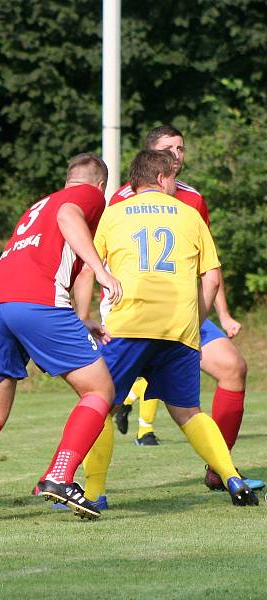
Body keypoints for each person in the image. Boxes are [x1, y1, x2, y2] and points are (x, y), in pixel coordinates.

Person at [75, 149, 258, 508]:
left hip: (128, 323)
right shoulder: (191, 216)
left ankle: (94, 494)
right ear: (161, 178)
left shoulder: (113, 215)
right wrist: (198, 316)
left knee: (99, 404)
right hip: (179, 327)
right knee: (189, 411)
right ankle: (232, 478)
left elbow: (86, 268)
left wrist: (84, 318)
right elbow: (212, 276)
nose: (175, 185)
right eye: (172, 178)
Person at [0, 153, 123, 523]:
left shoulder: (39, 205)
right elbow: (69, 220)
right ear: (99, 185)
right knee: (99, 391)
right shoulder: (86, 197)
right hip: (36, 301)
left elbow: (66, 262)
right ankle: (60, 474)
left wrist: (81, 318)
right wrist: (103, 271)